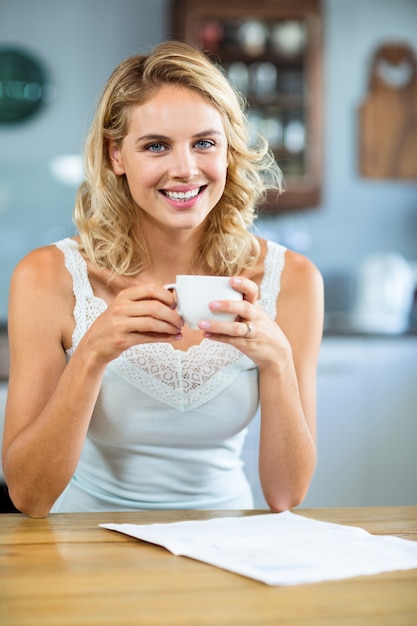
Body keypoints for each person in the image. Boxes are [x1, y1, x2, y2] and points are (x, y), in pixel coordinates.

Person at [2, 41, 324, 518]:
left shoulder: (292, 279)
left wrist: (276, 359)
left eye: (204, 143)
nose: (185, 169)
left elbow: (286, 494)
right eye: (156, 145)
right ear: (116, 155)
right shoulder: (47, 277)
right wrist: (92, 353)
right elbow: (28, 496)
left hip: (226, 551)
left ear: (229, 150)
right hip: (86, 548)